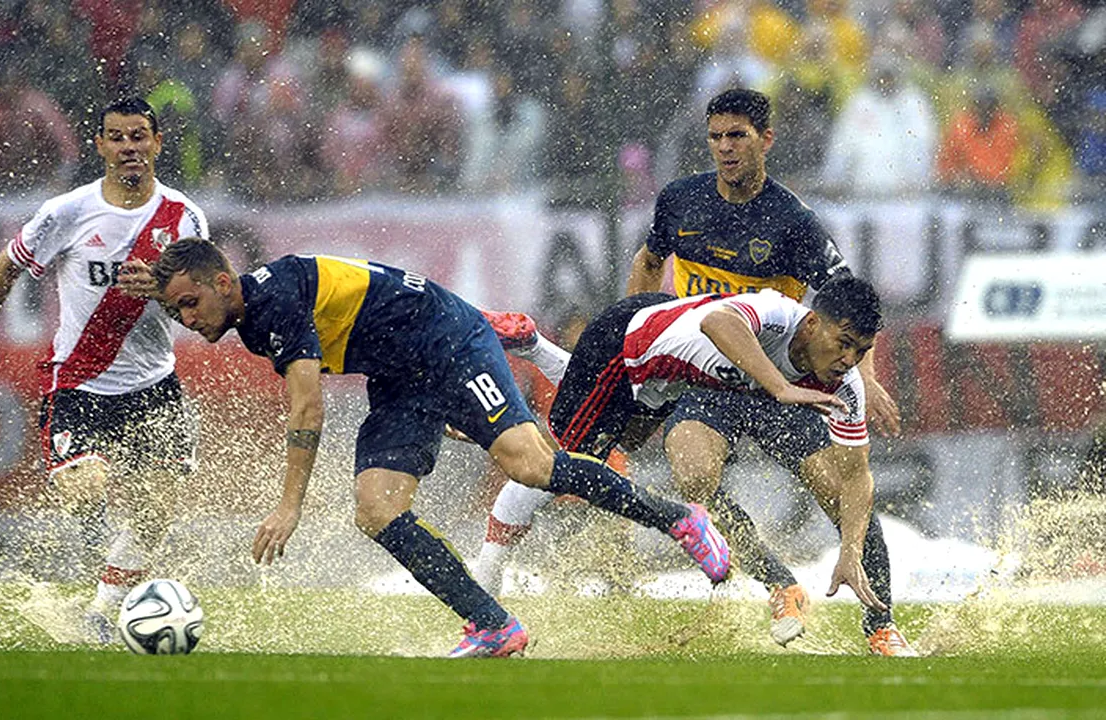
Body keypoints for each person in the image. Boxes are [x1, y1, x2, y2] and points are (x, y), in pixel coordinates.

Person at [118, 238, 730, 658]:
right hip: (400, 377)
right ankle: (494, 624)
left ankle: (679, 519)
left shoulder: (275, 300)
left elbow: (307, 408)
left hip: (449, 339)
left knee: (531, 464)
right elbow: (201, 288)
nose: (186, 320)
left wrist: (289, 506)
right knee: (376, 509)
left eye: (190, 304)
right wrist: (161, 289)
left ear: (224, 282)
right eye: (175, 311)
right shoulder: (242, 308)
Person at [490, 88, 914, 656]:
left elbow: (842, 305)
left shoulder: (793, 222)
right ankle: (779, 584)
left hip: (774, 382)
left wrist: (867, 377)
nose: (725, 149)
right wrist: (642, 319)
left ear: (766, 139)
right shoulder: (680, 201)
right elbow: (647, 261)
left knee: (840, 492)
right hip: (703, 379)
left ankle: (881, 624)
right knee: (693, 480)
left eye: (737, 136)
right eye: (715, 137)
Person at [479, 277, 889, 635]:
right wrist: (781, 387)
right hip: (623, 346)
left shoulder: (846, 385)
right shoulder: (776, 314)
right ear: (813, 323)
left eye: (860, 350)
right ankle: (487, 588)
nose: (849, 359)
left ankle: (531, 343)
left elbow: (856, 476)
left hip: (668, 374)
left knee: (624, 443)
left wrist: (850, 552)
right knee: (557, 471)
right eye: (844, 343)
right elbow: (718, 321)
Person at [0, 97, 209, 643]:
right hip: (78, 381)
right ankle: (111, 564)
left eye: (139, 136)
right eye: (116, 137)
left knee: (156, 510)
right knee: (86, 487)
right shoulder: (67, 211)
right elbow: (6, 269)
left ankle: (101, 611)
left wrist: (164, 295)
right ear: (100, 146)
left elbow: (202, 304)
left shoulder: (183, 217)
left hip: (154, 383)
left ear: (158, 143)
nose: (129, 147)